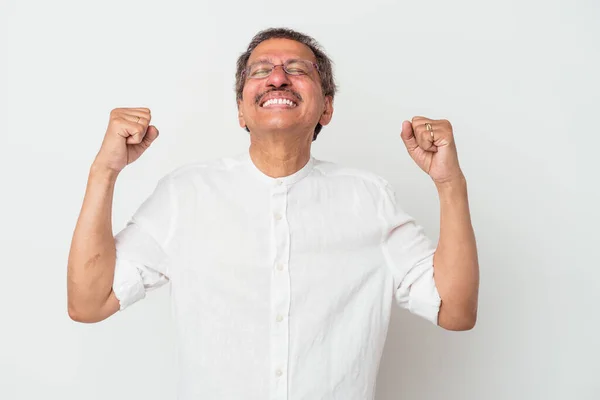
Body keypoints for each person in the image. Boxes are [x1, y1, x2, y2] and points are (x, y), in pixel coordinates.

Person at [67, 27, 479, 399]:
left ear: (326, 108)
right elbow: (89, 302)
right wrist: (105, 170)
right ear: (241, 111)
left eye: (298, 69)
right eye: (260, 70)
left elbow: (455, 310)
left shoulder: (368, 198)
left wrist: (449, 183)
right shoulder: (184, 194)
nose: (278, 78)